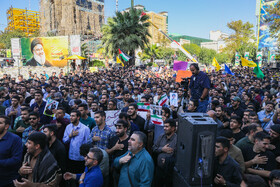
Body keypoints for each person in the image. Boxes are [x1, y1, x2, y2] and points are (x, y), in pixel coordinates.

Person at [152, 119, 177, 187]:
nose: (164, 128)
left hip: (169, 172)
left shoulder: (177, 140)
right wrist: (162, 149)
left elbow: (178, 157)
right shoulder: (161, 136)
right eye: (164, 126)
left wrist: (168, 161)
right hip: (159, 170)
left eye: (167, 126)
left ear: (173, 128)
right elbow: (154, 148)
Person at [0, 115, 23, 187]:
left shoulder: (15, 139)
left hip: (7, 180)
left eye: (0, 123)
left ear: (6, 126)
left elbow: (16, 160)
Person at [106, 120, 129, 186]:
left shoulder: (130, 141)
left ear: (125, 129)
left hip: (125, 171)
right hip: (114, 170)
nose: (117, 130)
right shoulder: (113, 139)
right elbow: (107, 152)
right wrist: (114, 148)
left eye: (119, 128)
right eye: (116, 128)